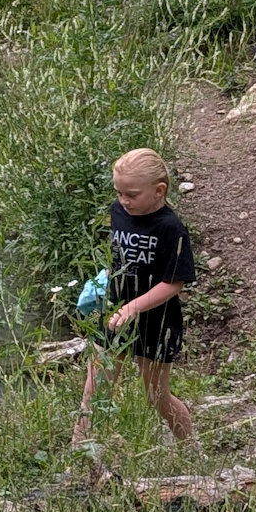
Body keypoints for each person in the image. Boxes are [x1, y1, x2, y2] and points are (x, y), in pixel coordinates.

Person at [73, 148, 197, 447]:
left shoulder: (171, 228)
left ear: (159, 190)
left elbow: (174, 283)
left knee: (156, 395)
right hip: (114, 312)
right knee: (95, 389)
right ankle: (77, 453)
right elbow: (120, 255)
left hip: (156, 320)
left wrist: (134, 307)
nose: (124, 201)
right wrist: (102, 280)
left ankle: (191, 446)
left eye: (132, 195)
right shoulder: (119, 212)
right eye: (119, 193)